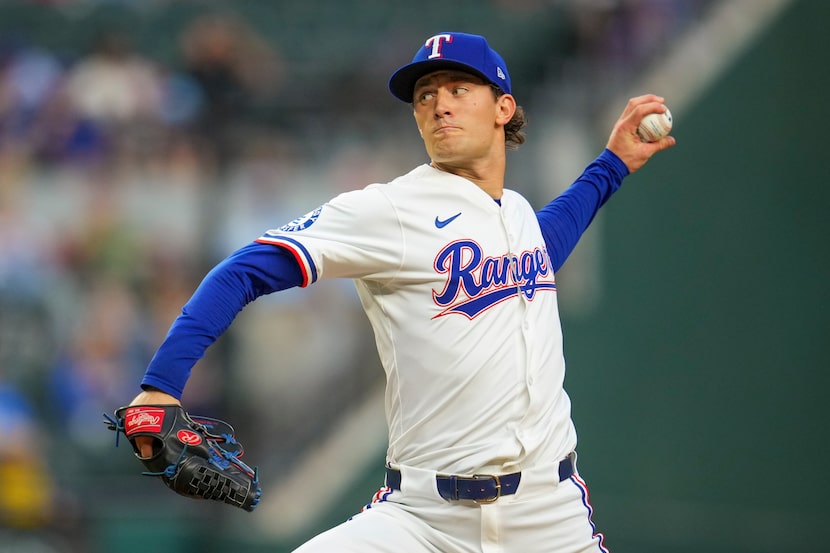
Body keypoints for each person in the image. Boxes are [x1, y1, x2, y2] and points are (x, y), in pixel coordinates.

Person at [128, 31, 675, 552]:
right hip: (423, 521)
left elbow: (548, 240)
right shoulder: (391, 210)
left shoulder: (517, 216)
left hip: (549, 514)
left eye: (460, 90)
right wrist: (160, 385)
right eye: (425, 96)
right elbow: (243, 271)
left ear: (503, 108)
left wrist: (613, 164)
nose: (440, 106)